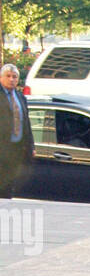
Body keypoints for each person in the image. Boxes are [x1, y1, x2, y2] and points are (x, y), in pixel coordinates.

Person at [0, 63, 34, 197]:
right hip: (2, 147)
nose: (11, 79)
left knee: (10, 183)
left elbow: (26, 123)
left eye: (14, 77)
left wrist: (31, 146)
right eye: (8, 76)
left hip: (17, 148)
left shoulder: (20, 97)